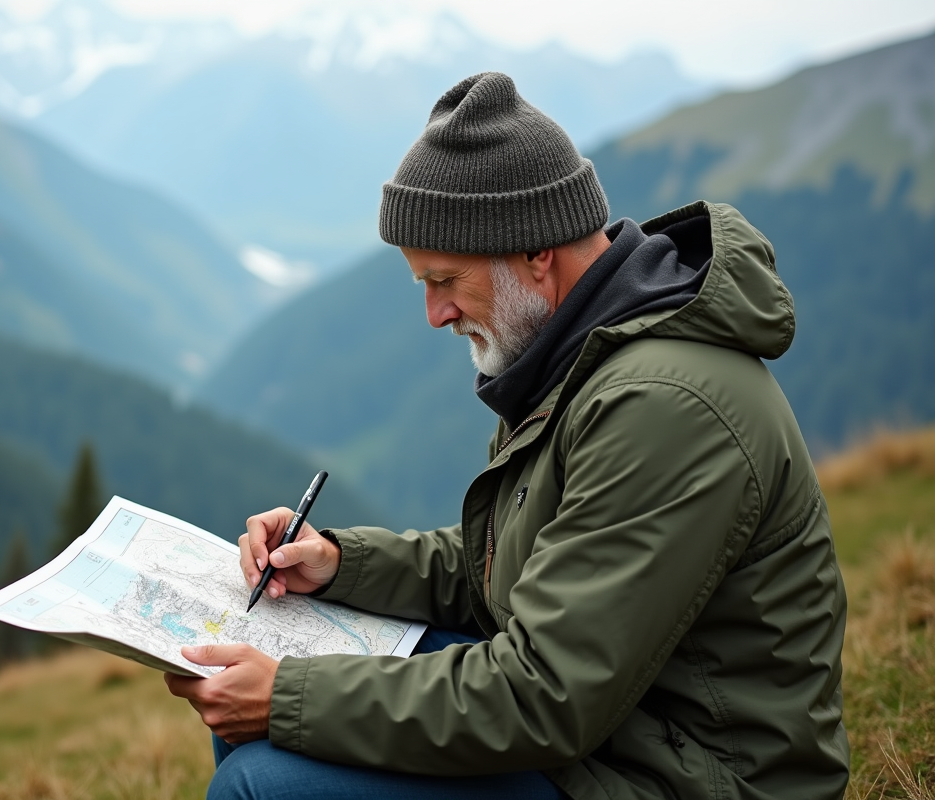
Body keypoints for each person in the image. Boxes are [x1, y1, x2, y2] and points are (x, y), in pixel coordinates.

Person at [165, 71, 849, 800]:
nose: (434, 314)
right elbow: (511, 570)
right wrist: (337, 565)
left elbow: (548, 695)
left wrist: (292, 698)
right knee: (250, 677)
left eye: (445, 280)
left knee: (261, 776)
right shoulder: (578, 354)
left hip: (682, 774)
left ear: (534, 255)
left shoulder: (662, 406)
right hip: (619, 729)